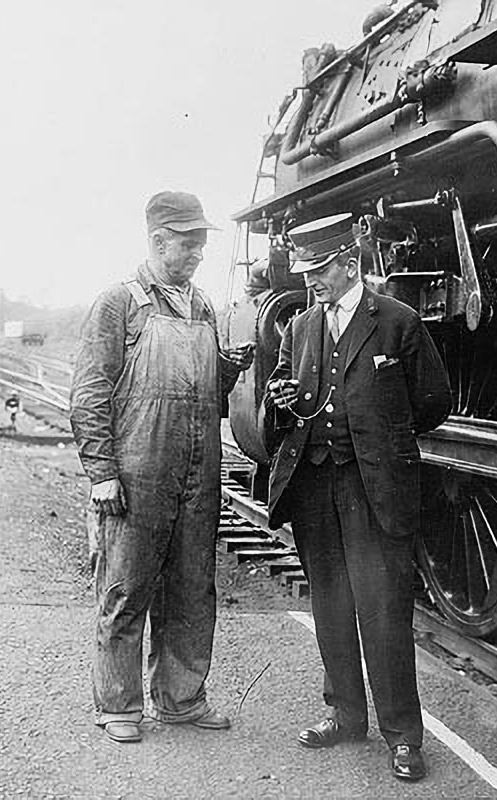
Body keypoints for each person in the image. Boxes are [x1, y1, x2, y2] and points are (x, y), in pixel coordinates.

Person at [264, 213, 451, 782]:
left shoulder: (398, 322)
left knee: (384, 610)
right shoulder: (299, 327)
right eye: (307, 272)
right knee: (330, 603)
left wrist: (379, 437)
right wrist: (281, 399)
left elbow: (432, 403)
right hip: (316, 484)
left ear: (350, 263)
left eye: (320, 270)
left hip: (373, 489)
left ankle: (403, 737)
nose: (311, 281)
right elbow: (278, 403)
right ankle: (345, 715)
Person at [70, 191, 254, 744]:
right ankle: (119, 704)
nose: (199, 253)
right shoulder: (118, 303)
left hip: (197, 474)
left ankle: (181, 699)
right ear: (157, 241)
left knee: (193, 592)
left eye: (201, 243)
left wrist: (225, 370)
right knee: (126, 590)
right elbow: (90, 393)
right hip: (136, 472)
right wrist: (102, 470)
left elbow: (202, 396)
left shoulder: (200, 307)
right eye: (189, 243)